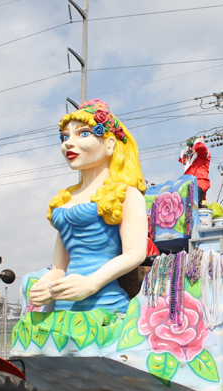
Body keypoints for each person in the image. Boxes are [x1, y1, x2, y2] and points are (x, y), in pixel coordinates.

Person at [28, 99, 148, 314]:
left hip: (104, 310)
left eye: (83, 134)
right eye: (65, 137)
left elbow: (135, 253)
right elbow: (59, 267)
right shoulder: (65, 201)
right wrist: (44, 285)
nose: (68, 144)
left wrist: (91, 283)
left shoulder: (127, 194)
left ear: (109, 144)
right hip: (62, 309)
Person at [179, 136, 211, 206]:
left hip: (200, 182)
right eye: (189, 146)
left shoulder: (202, 155)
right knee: (185, 205)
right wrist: (188, 149)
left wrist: (199, 140)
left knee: (193, 204)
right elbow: (182, 158)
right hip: (189, 185)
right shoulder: (190, 158)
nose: (191, 148)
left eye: (192, 145)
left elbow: (200, 147)